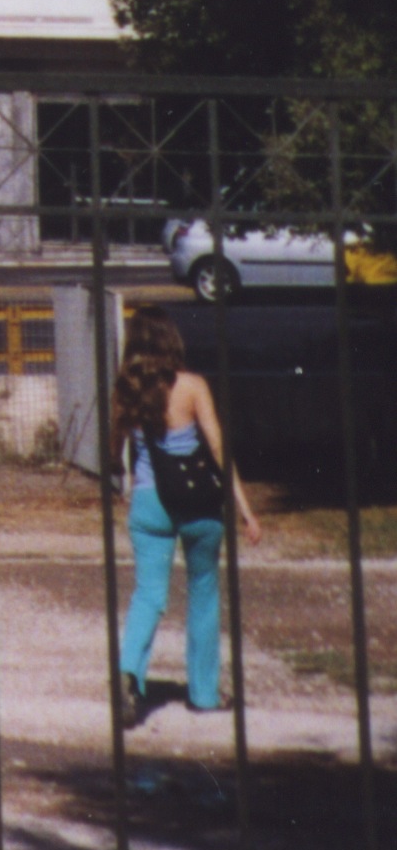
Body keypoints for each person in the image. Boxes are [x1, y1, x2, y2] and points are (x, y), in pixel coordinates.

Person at [110, 305, 259, 723]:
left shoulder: (126, 389)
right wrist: (246, 510)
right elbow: (217, 449)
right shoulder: (192, 386)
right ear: (171, 341)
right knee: (204, 592)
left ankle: (128, 674)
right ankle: (204, 694)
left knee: (149, 594)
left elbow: (118, 454)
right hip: (197, 504)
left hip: (148, 503)